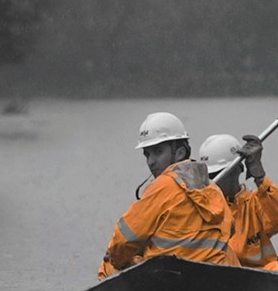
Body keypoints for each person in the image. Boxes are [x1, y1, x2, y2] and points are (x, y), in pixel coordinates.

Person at [96, 111, 235, 279]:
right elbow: (230, 229)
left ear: (179, 153)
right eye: (147, 154)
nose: (151, 161)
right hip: (213, 279)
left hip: (168, 280)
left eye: (158, 151)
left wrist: (120, 259)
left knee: (109, 261)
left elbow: (123, 240)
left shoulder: (163, 186)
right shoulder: (213, 189)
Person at [198, 133, 278, 271]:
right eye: (209, 176)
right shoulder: (200, 207)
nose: (212, 181)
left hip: (260, 277)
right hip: (218, 276)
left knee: (277, 267)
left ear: (238, 169)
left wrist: (259, 176)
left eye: (218, 174)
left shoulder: (255, 203)